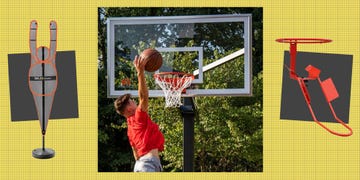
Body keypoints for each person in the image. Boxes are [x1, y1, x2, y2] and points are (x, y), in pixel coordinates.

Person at [114, 55, 165, 172]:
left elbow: (135, 153)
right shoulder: (137, 118)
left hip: (144, 164)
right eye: (132, 102)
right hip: (148, 165)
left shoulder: (130, 128)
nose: (135, 102)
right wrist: (140, 72)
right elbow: (143, 97)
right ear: (129, 110)